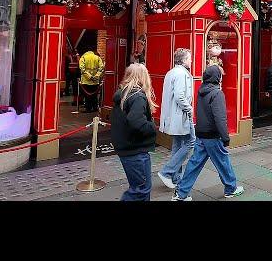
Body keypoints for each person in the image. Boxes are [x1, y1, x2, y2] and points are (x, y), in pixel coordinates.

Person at [172, 65, 244, 201]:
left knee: (194, 164)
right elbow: (220, 118)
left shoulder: (201, 90)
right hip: (213, 135)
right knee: (223, 162)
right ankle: (231, 188)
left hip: (201, 134)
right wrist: (225, 137)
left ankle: (181, 193)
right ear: (217, 78)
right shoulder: (217, 93)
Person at [110, 63, 157, 201]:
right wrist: (152, 127)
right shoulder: (138, 96)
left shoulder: (124, 94)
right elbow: (136, 121)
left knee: (141, 188)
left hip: (127, 148)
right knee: (141, 190)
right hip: (135, 150)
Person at [157, 48, 196, 190]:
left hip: (173, 116)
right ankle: (167, 172)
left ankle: (175, 177)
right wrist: (189, 108)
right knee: (191, 141)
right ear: (184, 60)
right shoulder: (182, 74)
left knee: (177, 145)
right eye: (189, 58)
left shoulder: (171, 72)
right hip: (181, 116)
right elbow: (180, 96)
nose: (191, 60)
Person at [79, 46, 104, 112]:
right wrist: (96, 76)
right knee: (94, 95)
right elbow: (101, 68)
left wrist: (89, 77)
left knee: (87, 96)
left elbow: (82, 69)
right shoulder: (98, 58)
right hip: (95, 81)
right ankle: (95, 107)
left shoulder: (83, 58)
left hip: (86, 80)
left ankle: (88, 108)